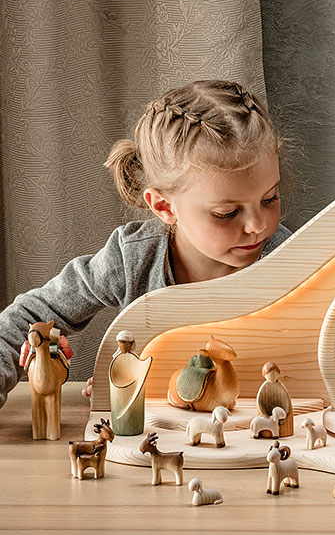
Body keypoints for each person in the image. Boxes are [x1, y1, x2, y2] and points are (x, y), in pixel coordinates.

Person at [0, 80, 291, 409]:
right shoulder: (133, 258)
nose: (259, 225)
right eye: (227, 213)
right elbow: (27, 315)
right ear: (165, 207)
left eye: (270, 197)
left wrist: (153, 379)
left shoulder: (288, 256)